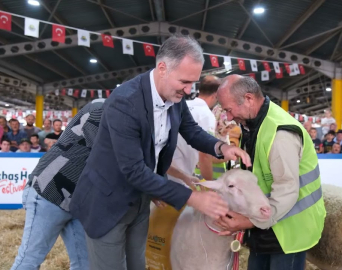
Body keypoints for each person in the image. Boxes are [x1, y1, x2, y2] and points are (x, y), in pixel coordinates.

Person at [69, 35, 251, 270]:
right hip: (107, 201)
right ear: (163, 68)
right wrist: (194, 198)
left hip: (141, 198)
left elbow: (192, 131)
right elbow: (133, 170)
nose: (188, 90)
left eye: (193, 83)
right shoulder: (125, 101)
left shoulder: (175, 98)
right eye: (185, 81)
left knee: (138, 263)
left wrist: (221, 147)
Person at [214, 75, 325, 270]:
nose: (229, 117)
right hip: (266, 223)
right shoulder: (252, 125)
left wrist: (248, 221)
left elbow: (286, 189)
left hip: (289, 229)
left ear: (248, 99)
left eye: (229, 110)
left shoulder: (280, 134)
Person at [11, 99, 106, 270]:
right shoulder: (100, 108)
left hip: (77, 200)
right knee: (30, 260)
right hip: (50, 192)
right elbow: (106, 155)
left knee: (85, 264)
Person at [167, 75, 220, 187]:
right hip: (180, 177)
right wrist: (210, 185)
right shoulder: (206, 115)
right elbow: (204, 154)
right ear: (216, 94)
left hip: (163, 171)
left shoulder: (181, 106)